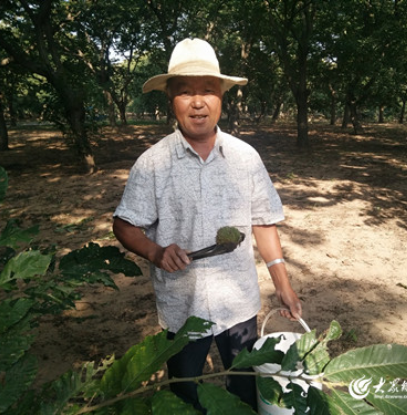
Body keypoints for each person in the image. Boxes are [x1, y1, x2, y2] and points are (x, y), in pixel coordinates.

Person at [113, 38, 302, 411]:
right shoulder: (152, 164)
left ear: (221, 98)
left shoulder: (245, 158)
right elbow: (124, 224)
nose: (197, 102)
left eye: (208, 91)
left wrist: (284, 285)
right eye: (185, 92)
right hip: (183, 306)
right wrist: (155, 251)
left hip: (239, 303)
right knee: (185, 393)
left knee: (246, 388)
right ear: (171, 99)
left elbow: (263, 223)